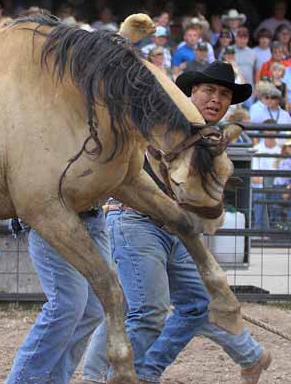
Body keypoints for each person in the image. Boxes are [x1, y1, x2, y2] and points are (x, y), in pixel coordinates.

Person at [83, 62, 271, 384]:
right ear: (192, 92)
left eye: (224, 94)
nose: (216, 99)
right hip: (135, 219)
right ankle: (104, 377)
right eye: (209, 90)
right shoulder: (164, 120)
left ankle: (139, 373)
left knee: (191, 306)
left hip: (174, 230)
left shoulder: (210, 139)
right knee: (146, 312)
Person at [5, 210, 110, 384]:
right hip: (51, 218)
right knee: (66, 304)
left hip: (93, 222)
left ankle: (53, 381)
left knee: (93, 308)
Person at [251, 119, 281, 230]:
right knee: (260, 195)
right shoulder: (256, 149)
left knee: (277, 194)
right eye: (268, 130)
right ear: (263, 132)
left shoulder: (281, 150)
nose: (270, 133)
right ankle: (258, 228)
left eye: (273, 130)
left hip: (276, 186)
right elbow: (255, 178)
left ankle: (275, 229)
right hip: (261, 187)